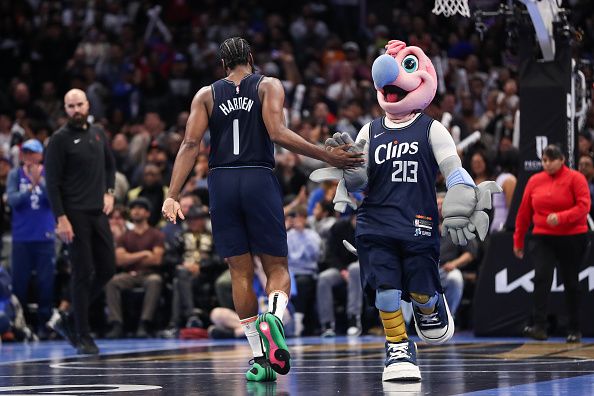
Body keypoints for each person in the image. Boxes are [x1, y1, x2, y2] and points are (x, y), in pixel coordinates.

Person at [161, 36, 363, 382]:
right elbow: (277, 132)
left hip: (221, 182)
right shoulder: (268, 84)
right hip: (257, 176)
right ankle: (275, 316)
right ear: (251, 58)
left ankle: (259, 359)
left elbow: (190, 144)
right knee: (276, 267)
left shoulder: (206, 95)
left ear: (223, 65)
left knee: (239, 271)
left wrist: (173, 193)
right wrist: (327, 155)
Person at [45, 88, 116, 354]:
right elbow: (51, 184)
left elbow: (110, 166)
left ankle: (70, 316)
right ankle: (83, 335)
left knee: (108, 268)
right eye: (70, 106)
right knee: (82, 273)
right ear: (65, 109)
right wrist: (61, 219)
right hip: (73, 215)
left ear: (88, 105)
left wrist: (109, 192)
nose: (76, 110)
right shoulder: (59, 140)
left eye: (79, 104)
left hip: (98, 212)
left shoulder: (98, 133)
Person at [514, 144, 591, 343]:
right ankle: (540, 326)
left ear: (562, 160)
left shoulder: (576, 178)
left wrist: (562, 217)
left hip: (572, 236)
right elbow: (524, 212)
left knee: (571, 282)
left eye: (551, 160)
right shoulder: (535, 180)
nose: (547, 164)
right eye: (544, 160)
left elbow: (584, 206)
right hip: (543, 236)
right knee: (541, 277)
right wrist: (518, 240)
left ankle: (574, 328)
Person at [6, 139, 56, 339]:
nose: (28, 156)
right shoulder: (14, 175)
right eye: (25, 152)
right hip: (22, 236)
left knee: (46, 282)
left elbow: (53, 200)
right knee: (19, 282)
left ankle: (44, 324)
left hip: (44, 236)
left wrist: (40, 183)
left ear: (40, 155)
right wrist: (29, 187)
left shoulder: (48, 173)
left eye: (32, 152)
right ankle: (20, 323)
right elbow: (12, 200)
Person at [105, 197, 165, 339]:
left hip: (148, 274)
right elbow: (119, 260)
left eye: (140, 208)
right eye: (133, 208)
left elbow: (156, 260)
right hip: (129, 274)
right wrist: (144, 254)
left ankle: (145, 323)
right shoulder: (124, 236)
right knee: (112, 281)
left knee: (155, 280)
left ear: (147, 213)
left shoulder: (156, 234)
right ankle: (116, 323)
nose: (136, 211)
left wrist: (130, 257)